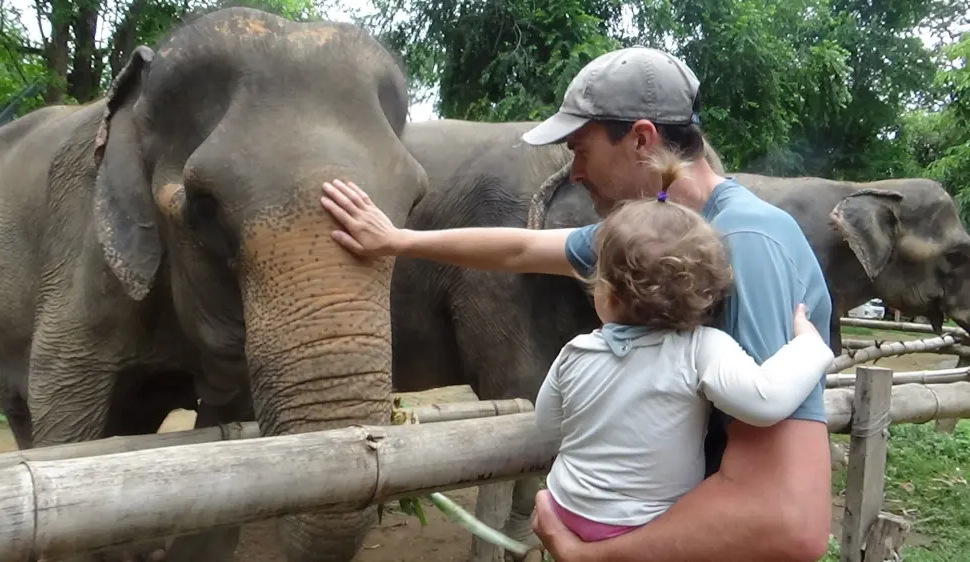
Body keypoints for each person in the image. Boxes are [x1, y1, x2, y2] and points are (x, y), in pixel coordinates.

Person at [319, 45, 833, 562]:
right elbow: (521, 247)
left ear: (641, 139)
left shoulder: (745, 245)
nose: (576, 173)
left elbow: (787, 521)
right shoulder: (655, 239)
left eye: (582, 152)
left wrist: (598, 554)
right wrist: (398, 241)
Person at [533, 181, 835, 546]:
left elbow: (548, 425)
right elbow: (765, 399)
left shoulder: (576, 351)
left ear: (608, 295)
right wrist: (811, 346)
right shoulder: (701, 348)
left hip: (567, 511)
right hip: (643, 527)